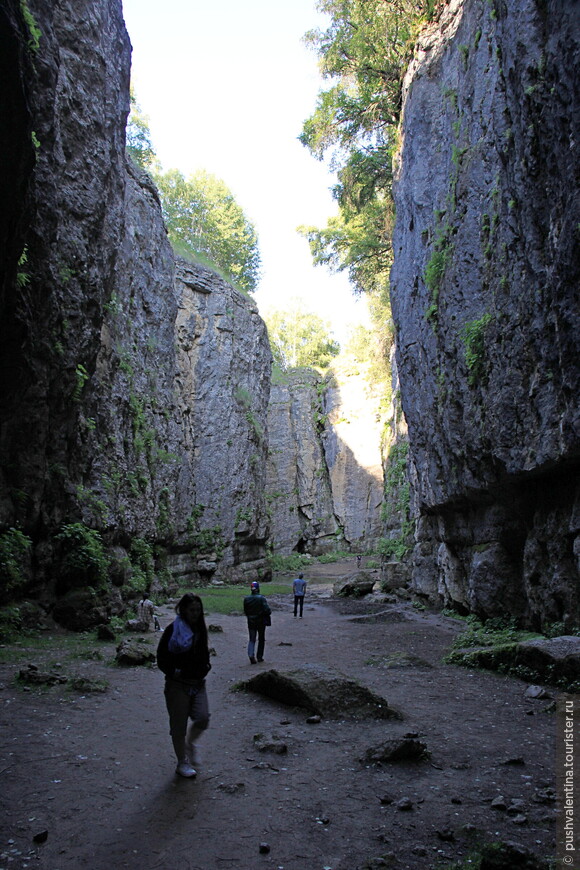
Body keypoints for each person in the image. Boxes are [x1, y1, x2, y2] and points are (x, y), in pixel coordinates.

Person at [156, 593, 211, 778]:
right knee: (178, 726)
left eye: (198, 610)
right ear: (184, 610)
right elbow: (162, 657)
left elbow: (203, 651)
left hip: (197, 683)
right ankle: (182, 762)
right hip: (177, 684)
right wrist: (174, 672)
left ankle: (191, 743)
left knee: (203, 718)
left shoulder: (200, 629)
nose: (195, 613)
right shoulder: (173, 630)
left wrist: (205, 667)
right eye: (192, 610)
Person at [243, 581, 271, 664]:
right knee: (261, 639)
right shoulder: (261, 598)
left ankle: (251, 654)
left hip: (250, 621)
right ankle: (259, 657)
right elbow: (267, 610)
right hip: (261, 621)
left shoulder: (246, 599)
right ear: (258, 588)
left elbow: (246, 611)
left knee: (252, 639)